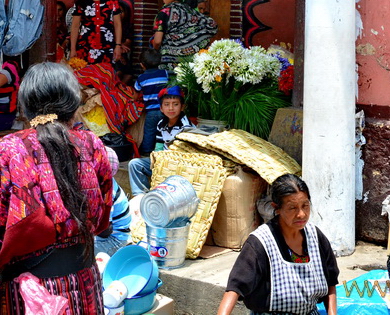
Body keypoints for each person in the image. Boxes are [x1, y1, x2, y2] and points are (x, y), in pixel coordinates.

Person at [0, 62, 112, 315]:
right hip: (85, 284)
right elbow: (103, 216)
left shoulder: (6, 150)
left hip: (29, 294)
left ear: (25, 104)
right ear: (72, 103)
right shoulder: (92, 144)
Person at [218, 174, 339, 315]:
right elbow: (235, 288)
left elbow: (331, 282)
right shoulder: (260, 242)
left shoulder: (315, 237)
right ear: (277, 208)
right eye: (292, 208)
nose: (301, 214)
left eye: (305, 206)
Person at [128, 86, 192, 195]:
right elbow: (159, 146)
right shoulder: (161, 124)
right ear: (161, 108)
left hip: (178, 165)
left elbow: (186, 154)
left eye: (175, 104)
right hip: (163, 161)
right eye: (166, 104)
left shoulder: (186, 127)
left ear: (182, 107)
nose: (171, 108)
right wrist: (156, 161)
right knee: (135, 164)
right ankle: (140, 196)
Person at [151, 0, 217, 71]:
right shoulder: (190, 10)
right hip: (192, 66)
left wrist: (155, 50)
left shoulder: (165, 12)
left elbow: (157, 41)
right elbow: (212, 25)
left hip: (170, 67)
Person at [70, 0, 123, 66]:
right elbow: (75, 26)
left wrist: (118, 45)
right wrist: (73, 49)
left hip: (107, 45)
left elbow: (117, 24)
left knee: (105, 76)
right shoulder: (82, 0)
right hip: (85, 46)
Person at [95, 147, 131, 257]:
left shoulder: (106, 192)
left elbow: (105, 231)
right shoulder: (105, 183)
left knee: (76, 250)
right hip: (108, 237)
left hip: (114, 241)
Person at [134, 48, 169, 157]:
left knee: (149, 131)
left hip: (151, 112)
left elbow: (135, 95)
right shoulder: (165, 73)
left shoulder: (141, 78)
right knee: (165, 129)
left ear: (142, 65)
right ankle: (164, 149)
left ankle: (146, 151)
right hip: (165, 110)